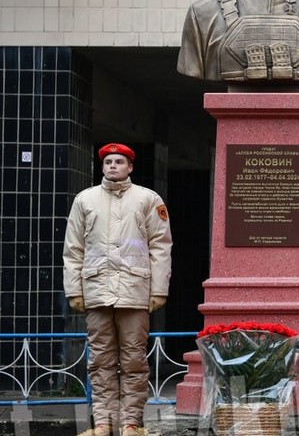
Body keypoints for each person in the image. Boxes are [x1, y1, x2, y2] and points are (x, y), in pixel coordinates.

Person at [63, 144, 173, 436]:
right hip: (97, 288)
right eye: (108, 161)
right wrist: (74, 289)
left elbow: (160, 247)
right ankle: (102, 423)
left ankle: (130, 424)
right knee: (100, 360)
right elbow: (73, 249)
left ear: (130, 167)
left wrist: (158, 289)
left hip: (135, 289)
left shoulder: (148, 199)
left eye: (119, 161)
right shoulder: (84, 200)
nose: (113, 166)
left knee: (134, 360)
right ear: (102, 166)